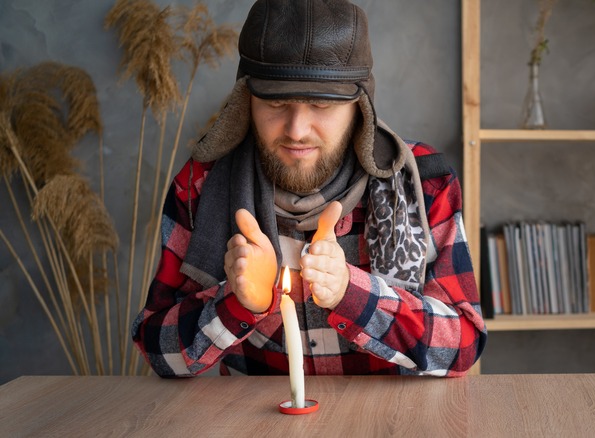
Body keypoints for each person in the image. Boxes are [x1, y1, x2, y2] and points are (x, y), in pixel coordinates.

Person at [132, 0, 486, 378]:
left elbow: (462, 347)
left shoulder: (422, 181)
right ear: (245, 102)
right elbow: (157, 353)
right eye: (276, 102)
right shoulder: (199, 185)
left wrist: (352, 293)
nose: (297, 130)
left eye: (321, 104)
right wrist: (237, 305)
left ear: (359, 107)